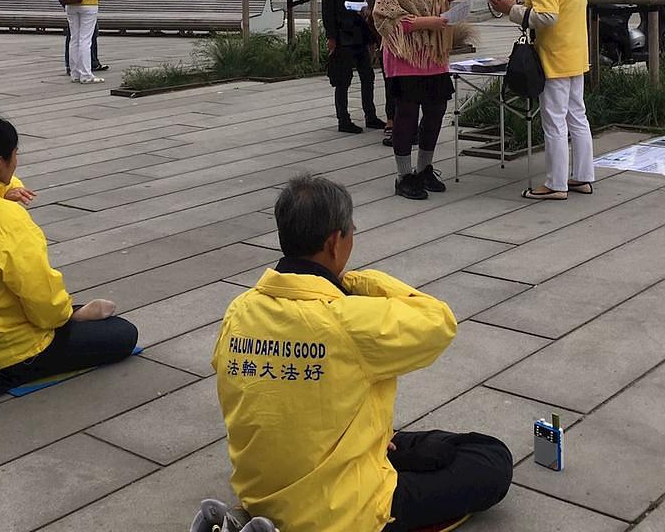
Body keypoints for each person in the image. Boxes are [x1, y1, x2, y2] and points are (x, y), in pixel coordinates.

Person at [211, 174, 513, 532]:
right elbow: (439, 322)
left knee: (404, 442)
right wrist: (358, 280)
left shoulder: (239, 310)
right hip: (343, 509)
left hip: (260, 493)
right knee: (489, 458)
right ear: (334, 243)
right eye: (351, 231)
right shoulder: (347, 320)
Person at [0, 116, 137, 385]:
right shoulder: (7, 219)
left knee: (59, 308)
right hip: (10, 353)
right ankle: (73, 315)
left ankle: (73, 313)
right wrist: (64, 316)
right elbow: (39, 294)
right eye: (14, 155)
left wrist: (6, 191)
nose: (16, 162)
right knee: (123, 333)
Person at [489, 0, 595, 201]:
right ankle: (583, 177)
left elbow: (547, 16)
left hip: (554, 55)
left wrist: (513, 9)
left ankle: (555, 183)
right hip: (575, 52)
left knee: (554, 121)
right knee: (577, 117)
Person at [372, 0, 460, 201]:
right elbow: (387, 18)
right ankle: (404, 175)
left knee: (435, 112)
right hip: (404, 56)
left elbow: (435, 9)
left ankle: (424, 169)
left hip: (432, 55)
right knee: (406, 116)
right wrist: (430, 22)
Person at [322, 0, 383, 134]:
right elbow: (328, 10)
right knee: (343, 79)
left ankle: (371, 115)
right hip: (342, 35)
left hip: (360, 33)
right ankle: (343, 119)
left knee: (368, 76)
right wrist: (331, 37)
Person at [365, 0, 402, 148]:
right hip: (411, 34)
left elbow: (373, 5)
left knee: (391, 78)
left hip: (388, 35)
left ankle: (392, 123)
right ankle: (403, 121)